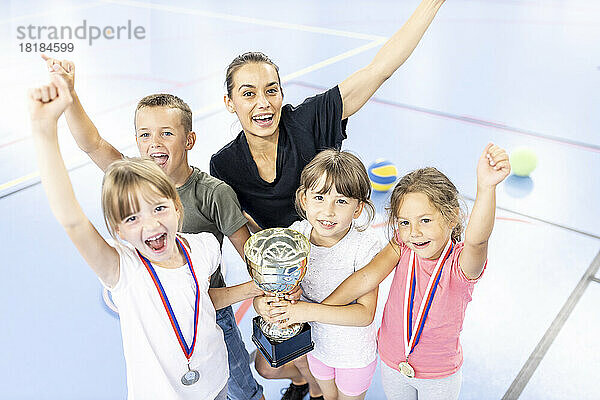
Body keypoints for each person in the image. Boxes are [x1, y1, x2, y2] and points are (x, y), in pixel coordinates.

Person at [40, 56, 267, 400]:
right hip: (159, 313)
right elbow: (92, 143)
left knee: (240, 385)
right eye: (145, 135)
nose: (154, 143)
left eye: (166, 134)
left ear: (188, 140)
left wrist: (267, 286)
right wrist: (70, 96)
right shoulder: (132, 181)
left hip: (208, 307)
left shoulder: (212, 194)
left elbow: (246, 247)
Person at [211, 0, 447, 233]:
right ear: (229, 103)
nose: (263, 103)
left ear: (282, 94)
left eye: (271, 90)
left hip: (336, 245)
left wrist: (432, 3)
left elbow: (379, 70)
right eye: (249, 94)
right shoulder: (224, 165)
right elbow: (245, 226)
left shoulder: (308, 120)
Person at [321, 144, 511, 399]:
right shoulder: (402, 244)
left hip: (438, 376)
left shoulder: (460, 265)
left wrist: (486, 188)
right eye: (405, 222)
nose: (414, 232)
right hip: (391, 362)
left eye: (426, 220)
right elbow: (367, 277)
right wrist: (323, 309)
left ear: (452, 216)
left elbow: (477, 240)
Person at [254, 150, 383, 400]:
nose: (328, 211)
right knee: (328, 397)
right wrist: (264, 305)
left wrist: (305, 311)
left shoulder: (365, 246)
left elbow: (364, 314)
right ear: (304, 199)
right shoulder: (296, 235)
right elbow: (275, 290)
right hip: (316, 348)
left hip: (353, 355)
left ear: (358, 209)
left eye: (342, 201)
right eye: (319, 197)